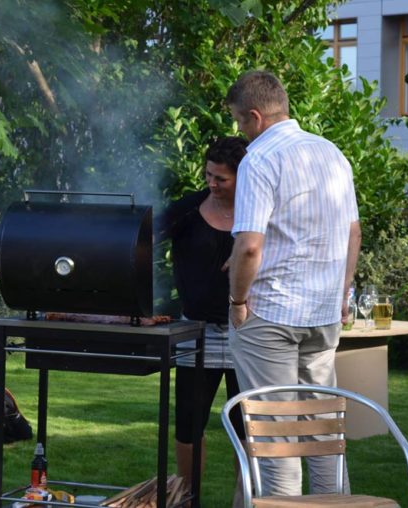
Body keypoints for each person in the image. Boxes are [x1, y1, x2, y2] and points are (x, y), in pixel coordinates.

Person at [225, 71, 362, 497]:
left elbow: (249, 246)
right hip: (323, 314)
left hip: (270, 315)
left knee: (276, 437)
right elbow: (353, 232)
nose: (240, 133)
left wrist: (237, 301)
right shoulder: (332, 153)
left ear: (255, 116)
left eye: (239, 122)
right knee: (323, 434)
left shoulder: (260, 159)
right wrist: (341, 295)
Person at [158, 136, 248, 488]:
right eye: (209, 174)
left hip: (247, 332)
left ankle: (246, 499)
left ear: (243, 177)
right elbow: (144, 236)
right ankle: (187, 496)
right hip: (196, 333)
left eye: (221, 178)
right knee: (188, 423)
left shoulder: (258, 213)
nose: (212, 183)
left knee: (247, 424)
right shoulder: (188, 210)